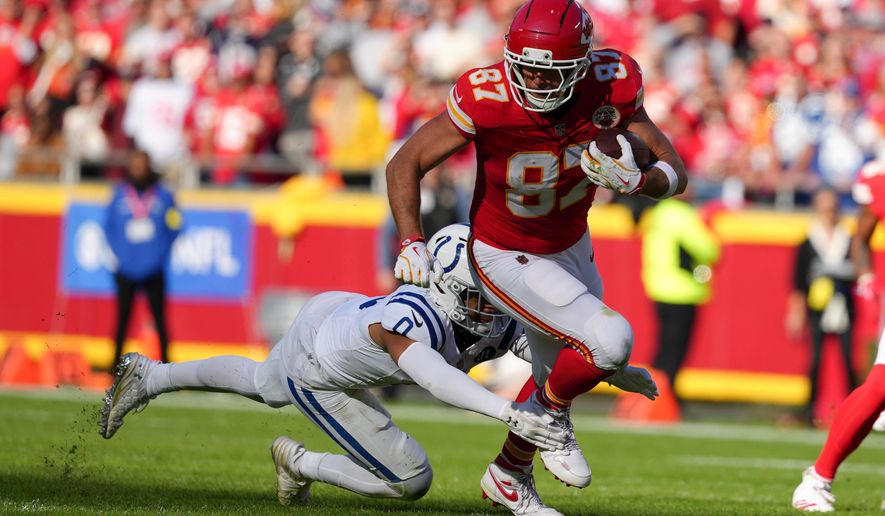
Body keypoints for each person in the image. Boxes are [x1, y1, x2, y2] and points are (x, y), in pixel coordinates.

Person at [99, 223, 659, 511]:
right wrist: (506, 412)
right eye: (480, 295)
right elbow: (436, 378)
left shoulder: (476, 312)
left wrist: (611, 370)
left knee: (260, 383)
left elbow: (540, 351)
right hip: (323, 366)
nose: (492, 306)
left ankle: (152, 376)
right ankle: (300, 462)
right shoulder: (416, 314)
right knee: (409, 480)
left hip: (333, 312)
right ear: (447, 288)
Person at [385, 1, 685, 513]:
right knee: (610, 343)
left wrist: (639, 181)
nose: (535, 83)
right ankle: (549, 421)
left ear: (582, 65)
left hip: (570, 242)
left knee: (561, 368)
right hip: (504, 251)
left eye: (551, 74)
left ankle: (509, 471)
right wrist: (412, 240)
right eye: (525, 68)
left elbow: (675, 172)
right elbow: (405, 161)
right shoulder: (487, 95)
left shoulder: (611, 83)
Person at [792, 161, 885, 512]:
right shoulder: (880, 176)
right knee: (880, 385)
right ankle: (818, 478)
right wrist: (866, 278)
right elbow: (862, 237)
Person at [639, 183, 720, 416]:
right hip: (682, 290)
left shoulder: (659, 213)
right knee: (674, 352)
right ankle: (663, 401)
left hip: (658, 288)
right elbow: (710, 250)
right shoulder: (682, 215)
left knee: (664, 349)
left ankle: (654, 399)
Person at [785, 188, 857, 426]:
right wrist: (795, 312)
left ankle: (854, 414)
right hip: (817, 306)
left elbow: (858, 269)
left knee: (848, 360)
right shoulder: (808, 241)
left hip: (842, 305)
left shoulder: (847, 238)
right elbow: (797, 280)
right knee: (816, 360)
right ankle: (809, 412)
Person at [104, 149, 181, 368]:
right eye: (135, 165)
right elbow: (109, 227)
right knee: (122, 319)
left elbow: (175, 224)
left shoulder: (164, 196)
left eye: (142, 165)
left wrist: (160, 252)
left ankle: (167, 364)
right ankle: (114, 365)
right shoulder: (120, 194)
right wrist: (119, 254)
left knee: (159, 318)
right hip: (126, 267)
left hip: (153, 266)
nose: (139, 169)